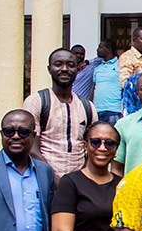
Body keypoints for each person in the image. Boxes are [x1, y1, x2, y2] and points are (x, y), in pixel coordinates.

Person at [23, 48, 98, 182]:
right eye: (58, 64)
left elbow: (93, 149)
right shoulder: (37, 102)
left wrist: (82, 180)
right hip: (44, 181)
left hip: (78, 184)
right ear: (49, 69)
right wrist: (57, 181)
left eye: (70, 65)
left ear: (77, 69)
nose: (64, 69)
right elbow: (32, 149)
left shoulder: (88, 107)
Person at [91, 39, 121, 124]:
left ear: (108, 49)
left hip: (113, 110)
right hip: (97, 110)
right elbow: (93, 88)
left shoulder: (120, 65)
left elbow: (124, 87)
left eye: (100, 47)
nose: (97, 49)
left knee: (111, 136)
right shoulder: (97, 68)